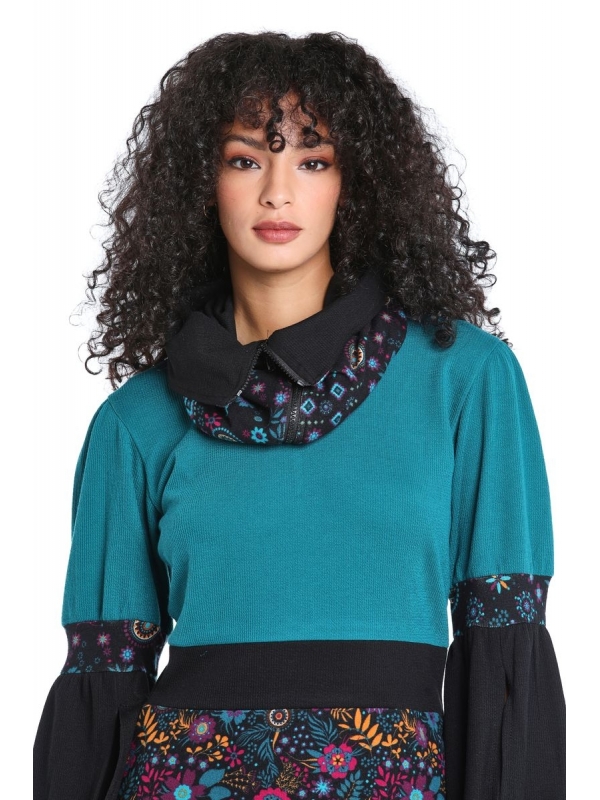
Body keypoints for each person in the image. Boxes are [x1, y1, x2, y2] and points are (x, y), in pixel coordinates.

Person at [33, 30, 566, 800]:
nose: (277, 192)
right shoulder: (136, 421)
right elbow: (102, 684)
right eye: (246, 159)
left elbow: (505, 655)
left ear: (356, 183)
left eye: (312, 161)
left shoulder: (466, 380)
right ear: (202, 182)